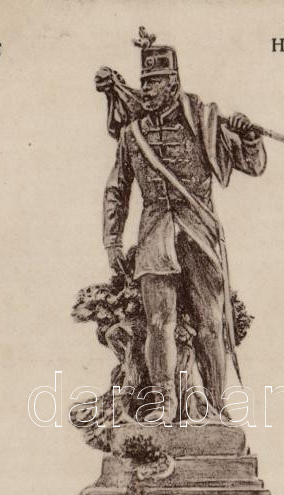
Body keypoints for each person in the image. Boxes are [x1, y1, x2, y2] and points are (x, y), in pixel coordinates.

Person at [103, 32, 266, 423]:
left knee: (211, 323)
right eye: (144, 83)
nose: (146, 90)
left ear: (173, 82)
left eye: (154, 83)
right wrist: (112, 241)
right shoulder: (132, 134)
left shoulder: (204, 123)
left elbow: (254, 164)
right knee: (159, 323)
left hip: (199, 231)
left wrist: (248, 136)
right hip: (154, 234)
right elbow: (117, 189)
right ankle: (164, 404)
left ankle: (216, 407)